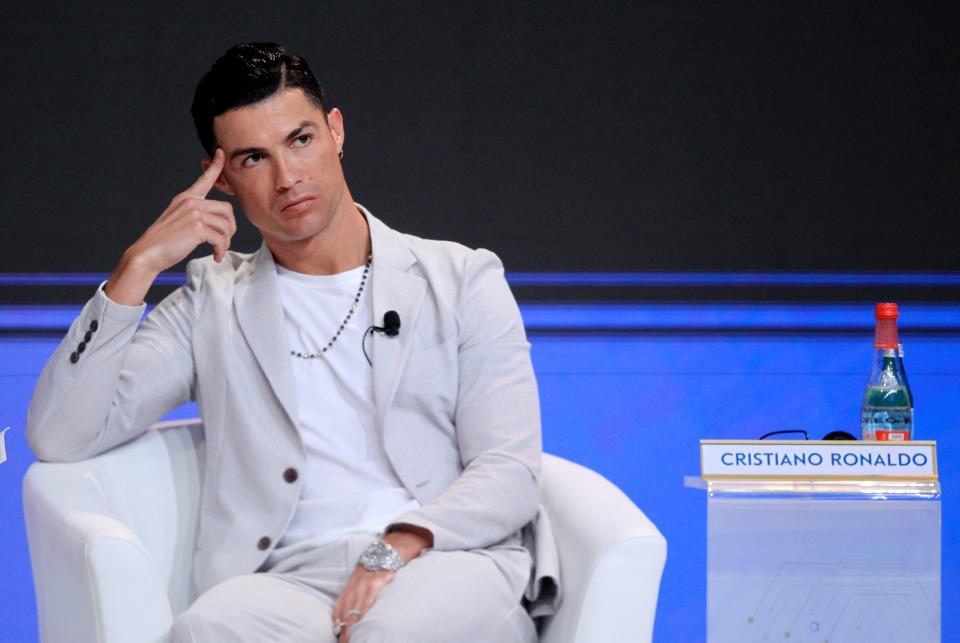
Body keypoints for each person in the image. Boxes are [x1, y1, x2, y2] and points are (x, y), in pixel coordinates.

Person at [26, 42, 555, 642]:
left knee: (392, 635)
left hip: (446, 556)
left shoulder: (461, 279)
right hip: (287, 580)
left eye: (300, 139)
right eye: (254, 158)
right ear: (221, 177)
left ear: (335, 130)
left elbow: (509, 470)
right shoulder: (210, 303)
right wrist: (136, 267)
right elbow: (60, 434)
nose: (287, 178)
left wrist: (397, 545)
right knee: (202, 631)